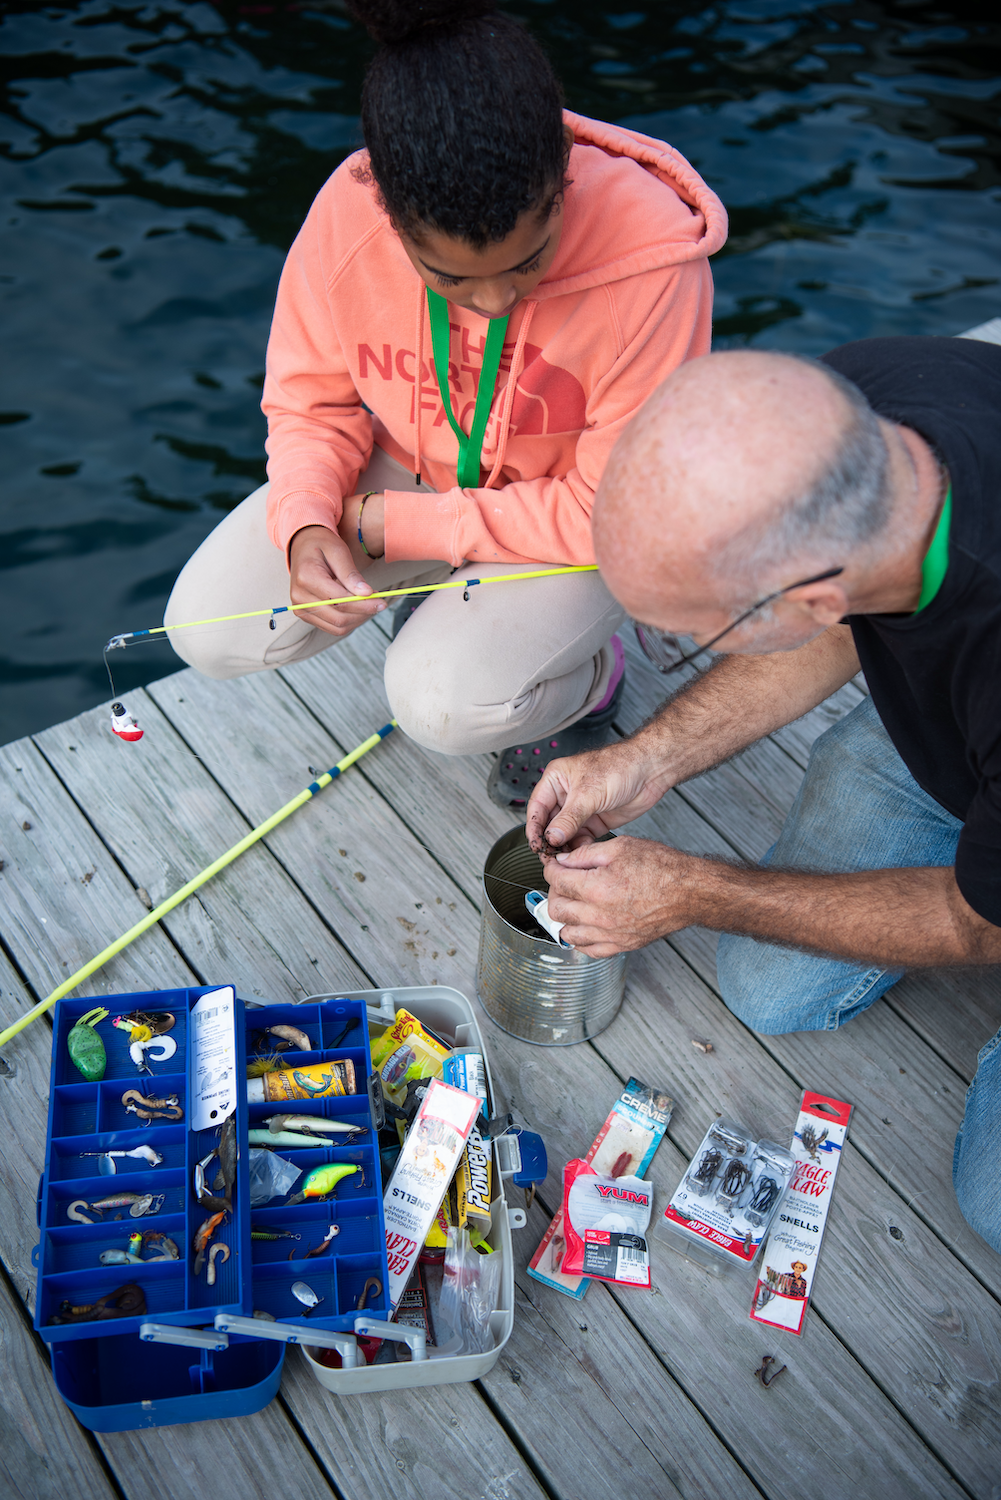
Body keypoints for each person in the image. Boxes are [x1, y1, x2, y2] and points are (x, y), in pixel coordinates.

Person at [163, 0, 726, 808]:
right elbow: (309, 402)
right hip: (415, 464)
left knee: (442, 706)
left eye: (528, 261)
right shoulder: (344, 215)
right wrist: (308, 520)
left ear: (563, 184)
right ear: (389, 215)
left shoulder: (656, 270)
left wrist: (398, 527)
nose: (492, 302)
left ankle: (592, 678)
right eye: (451, 277)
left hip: (579, 512)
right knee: (208, 631)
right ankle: (461, 596)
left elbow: (610, 505)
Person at [525, 335, 1001, 1253]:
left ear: (813, 594)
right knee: (768, 987)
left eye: (698, 633)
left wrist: (693, 891)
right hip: (956, 737)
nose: (697, 649)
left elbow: (980, 923)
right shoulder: (836, 409)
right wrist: (646, 758)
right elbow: (831, 624)